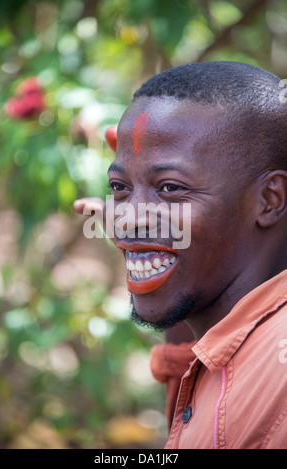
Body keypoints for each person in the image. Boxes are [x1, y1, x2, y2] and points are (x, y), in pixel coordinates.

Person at [74, 61, 287, 449]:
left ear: (270, 200)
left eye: (170, 187)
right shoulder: (217, 314)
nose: (128, 219)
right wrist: (159, 243)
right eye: (119, 187)